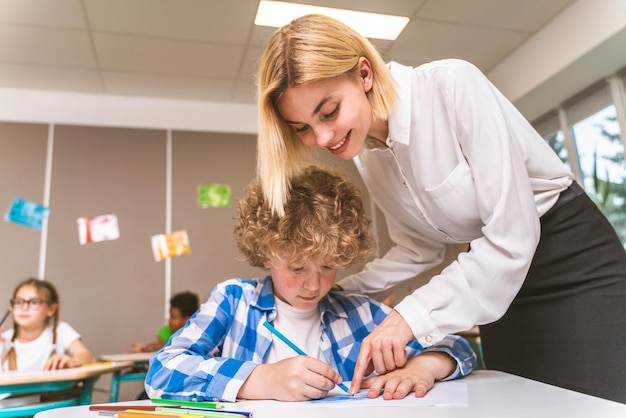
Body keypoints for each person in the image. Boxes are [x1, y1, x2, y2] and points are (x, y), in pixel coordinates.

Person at [255, 14, 626, 403]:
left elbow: (513, 234)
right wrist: (339, 291)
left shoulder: (452, 86)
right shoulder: (367, 153)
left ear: (364, 74)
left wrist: (410, 317)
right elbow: (419, 249)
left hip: (570, 257)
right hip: (495, 283)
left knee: (602, 403)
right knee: (522, 404)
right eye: (302, 128)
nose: (322, 137)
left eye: (329, 112)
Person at [144, 165, 475, 402]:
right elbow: (161, 371)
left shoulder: (357, 312)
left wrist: (424, 367)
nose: (314, 284)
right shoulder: (234, 301)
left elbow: (457, 348)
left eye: (329, 266)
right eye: (298, 266)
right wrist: (259, 380)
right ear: (266, 254)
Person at [0, 278, 94, 372]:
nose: (24, 307)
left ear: (51, 309)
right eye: (18, 302)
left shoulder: (60, 330)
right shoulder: (4, 338)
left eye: (34, 302)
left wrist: (72, 361)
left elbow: (86, 356)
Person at [126, 291, 200, 353]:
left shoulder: (199, 334)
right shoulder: (165, 331)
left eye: (173, 317)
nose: (169, 320)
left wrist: (165, 346)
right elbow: (156, 354)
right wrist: (146, 348)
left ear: (187, 320)